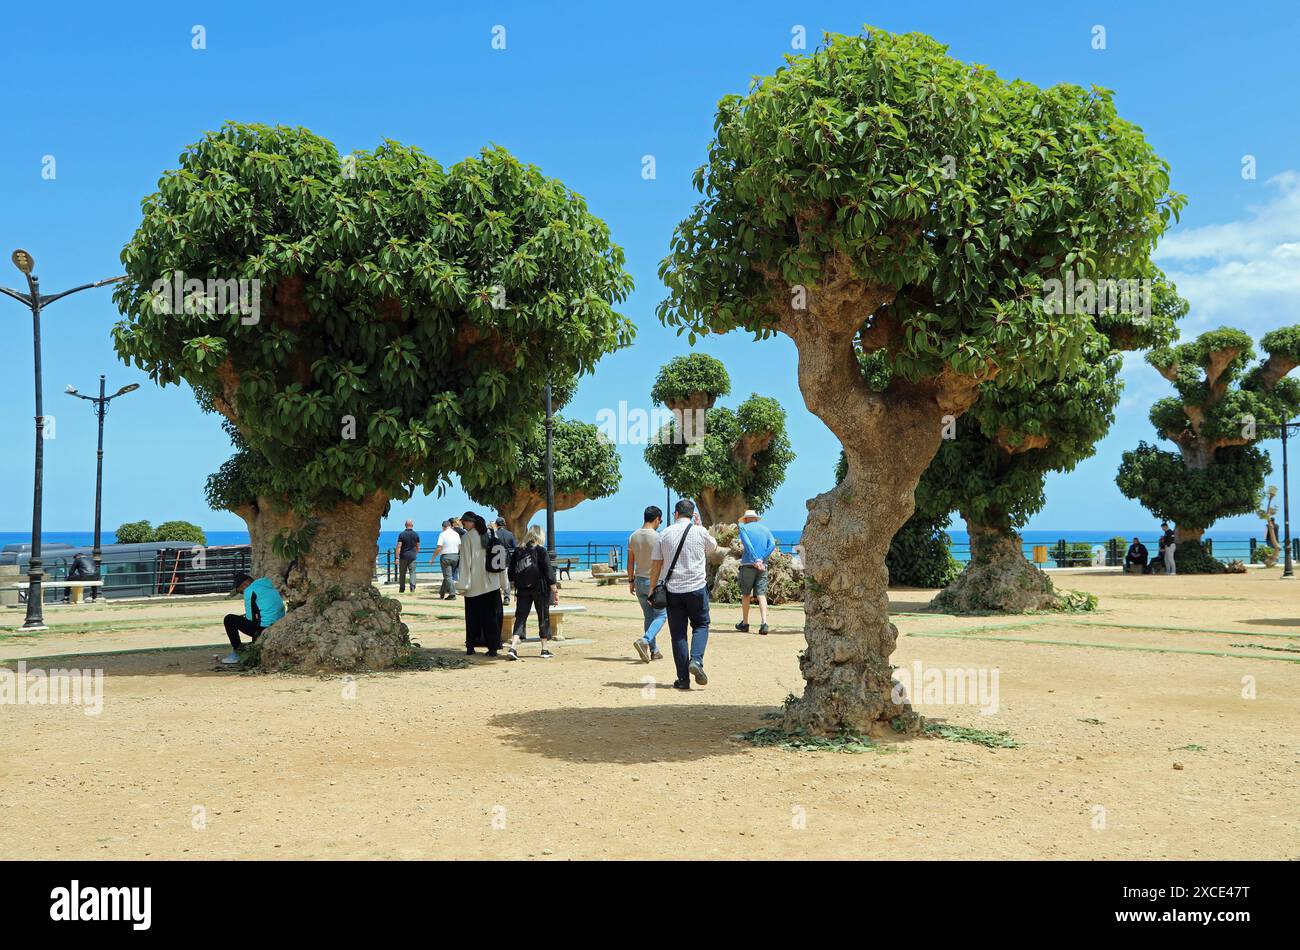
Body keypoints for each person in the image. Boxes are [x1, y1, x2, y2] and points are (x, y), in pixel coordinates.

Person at [648, 498, 718, 690]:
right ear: (692, 514)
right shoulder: (700, 531)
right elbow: (713, 548)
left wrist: (652, 589)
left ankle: (683, 679)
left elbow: (656, 566)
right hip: (696, 588)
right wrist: (700, 524)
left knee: (678, 635)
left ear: (676, 514)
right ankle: (696, 660)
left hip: (673, 591)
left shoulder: (664, 534)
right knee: (701, 624)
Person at [458, 511, 508, 656]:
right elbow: (500, 560)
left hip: (474, 585)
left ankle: (471, 646)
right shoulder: (492, 535)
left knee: (472, 618)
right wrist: (503, 583)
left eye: (464, 522)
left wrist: (463, 585)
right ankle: (493, 647)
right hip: (492, 583)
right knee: (492, 618)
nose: (463, 525)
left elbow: (465, 562)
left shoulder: (467, 537)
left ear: (470, 522)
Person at [505, 525, 557, 660]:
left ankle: (513, 647)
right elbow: (548, 570)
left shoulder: (518, 550)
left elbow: (510, 571)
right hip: (540, 588)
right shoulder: (541, 550)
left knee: (521, 617)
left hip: (522, 588)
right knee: (543, 616)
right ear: (540, 536)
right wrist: (554, 587)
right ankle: (544, 649)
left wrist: (513, 584)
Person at [628, 505, 667, 662]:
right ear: (657, 518)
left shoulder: (633, 536)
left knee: (648, 616)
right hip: (654, 582)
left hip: (638, 580)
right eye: (661, 520)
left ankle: (654, 651)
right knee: (661, 615)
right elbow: (663, 561)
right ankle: (644, 640)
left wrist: (630, 581)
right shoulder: (658, 537)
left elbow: (630, 563)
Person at [221, 572, 285, 665]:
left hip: (264, 628)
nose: (242, 593)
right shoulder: (266, 584)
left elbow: (250, 618)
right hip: (278, 623)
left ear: (244, 585)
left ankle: (238, 652)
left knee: (229, 619)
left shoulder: (249, 590)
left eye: (240, 591)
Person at [734, 509, 778, 635]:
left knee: (746, 594)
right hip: (762, 566)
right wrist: (761, 559)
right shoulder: (766, 529)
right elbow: (772, 545)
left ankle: (745, 623)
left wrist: (754, 559)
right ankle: (764, 623)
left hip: (748, 565)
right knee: (761, 594)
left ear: (746, 519)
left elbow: (748, 545)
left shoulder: (744, 529)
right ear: (756, 518)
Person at [431, 520, 461, 600]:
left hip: (446, 557)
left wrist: (433, 558)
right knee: (448, 576)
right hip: (455, 556)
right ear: (450, 526)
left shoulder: (442, 534)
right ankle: (442, 593)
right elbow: (459, 546)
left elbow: (439, 547)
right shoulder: (456, 534)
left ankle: (452, 594)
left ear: (443, 527)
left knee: (448, 576)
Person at [494, 518, 517, 605]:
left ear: (496, 524)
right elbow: (514, 546)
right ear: (504, 524)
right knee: (506, 579)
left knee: (496, 579)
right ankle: (506, 597)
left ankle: (496, 599)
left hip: (496, 558)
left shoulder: (495, 534)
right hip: (507, 559)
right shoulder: (510, 534)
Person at [395, 519, 420, 594]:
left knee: (402, 573)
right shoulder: (416, 534)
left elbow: (399, 546)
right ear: (412, 525)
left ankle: (402, 589)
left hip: (403, 556)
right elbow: (418, 546)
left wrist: (396, 558)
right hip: (412, 556)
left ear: (405, 525)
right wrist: (416, 553)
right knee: (412, 572)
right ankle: (412, 587)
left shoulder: (402, 534)